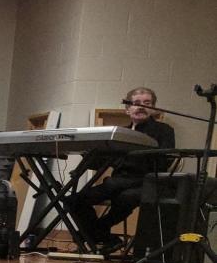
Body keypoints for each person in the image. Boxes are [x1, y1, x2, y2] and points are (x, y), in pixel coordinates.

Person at [64, 86, 176, 253]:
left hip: (146, 182)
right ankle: (106, 238)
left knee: (125, 198)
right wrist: (87, 151)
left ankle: (92, 234)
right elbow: (99, 163)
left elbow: (165, 161)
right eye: (136, 103)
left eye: (147, 103)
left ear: (153, 109)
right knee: (72, 200)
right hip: (117, 183)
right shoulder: (118, 133)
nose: (141, 107)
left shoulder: (164, 130)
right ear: (127, 109)